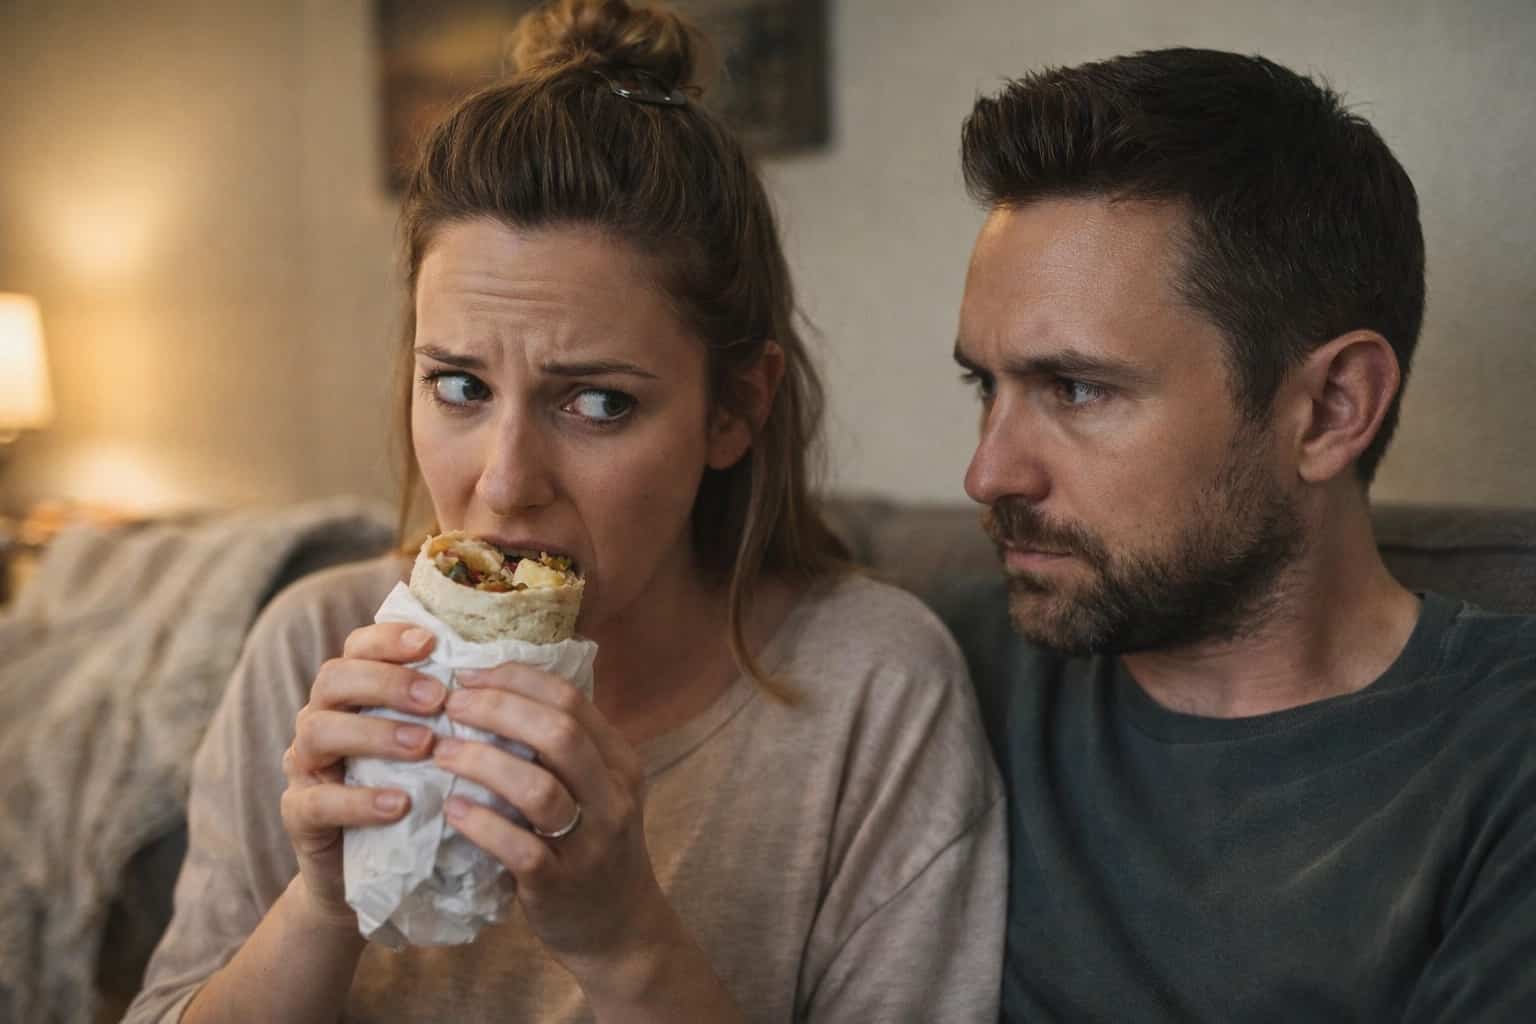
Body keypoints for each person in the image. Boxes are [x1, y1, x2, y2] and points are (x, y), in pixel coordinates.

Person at [125, 2, 1004, 1020]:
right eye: (460, 386)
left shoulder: (873, 690)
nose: (505, 483)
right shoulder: (312, 649)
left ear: (733, 409)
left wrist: (625, 941)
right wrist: (323, 904)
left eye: (597, 403)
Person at [942, 47, 1536, 1021]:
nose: (987, 473)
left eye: (1077, 388)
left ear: (1332, 409)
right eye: (986, 384)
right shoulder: (941, 674)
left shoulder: (1506, 753)